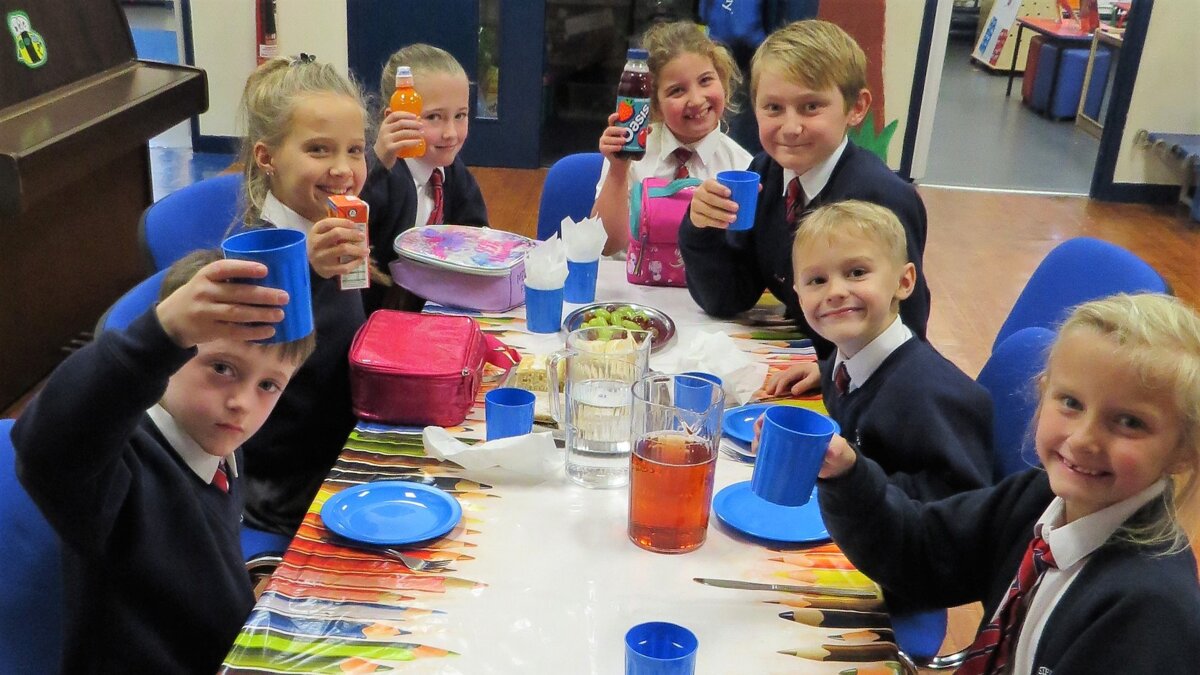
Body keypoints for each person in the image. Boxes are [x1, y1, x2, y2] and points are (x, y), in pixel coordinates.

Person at [817, 293, 1200, 673]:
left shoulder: (1150, 613)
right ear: (1042, 392)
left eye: (1129, 422)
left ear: (1184, 449)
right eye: (1070, 402)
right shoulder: (1039, 497)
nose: (1084, 439)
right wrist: (848, 474)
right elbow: (919, 551)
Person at [13, 250, 315, 673]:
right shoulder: (116, 473)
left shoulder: (215, 444)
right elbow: (47, 447)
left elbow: (195, 569)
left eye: (268, 384)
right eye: (222, 368)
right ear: (171, 357)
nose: (241, 403)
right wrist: (160, 334)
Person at [680, 19, 930, 360]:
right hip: (803, 354)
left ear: (856, 108)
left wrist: (837, 369)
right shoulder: (765, 174)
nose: (791, 127)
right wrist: (700, 229)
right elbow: (727, 299)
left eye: (811, 107)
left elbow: (909, 330)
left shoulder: (883, 199)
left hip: (858, 380)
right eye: (773, 108)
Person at [763, 201, 991, 500]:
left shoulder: (930, 396)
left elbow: (964, 504)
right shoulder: (841, 365)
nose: (835, 292)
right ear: (798, 294)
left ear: (904, 282)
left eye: (857, 272)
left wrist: (850, 477)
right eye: (817, 280)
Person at [236, 55, 371, 536]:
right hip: (292, 494)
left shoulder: (335, 228)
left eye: (355, 150)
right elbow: (245, 389)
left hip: (350, 451)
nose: (343, 169)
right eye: (318, 150)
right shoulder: (251, 261)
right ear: (267, 158)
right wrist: (305, 271)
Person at [593, 20, 752, 256]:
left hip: (703, 290)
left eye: (706, 80)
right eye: (677, 90)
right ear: (654, 103)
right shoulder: (632, 153)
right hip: (632, 287)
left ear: (723, 80)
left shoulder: (742, 166)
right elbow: (605, 246)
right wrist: (618, 169)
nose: (697, 100)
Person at [360, 43, 488, 312]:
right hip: (376, 318)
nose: (450, 133)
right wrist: (377, 162)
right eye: (434, 118)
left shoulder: (451, 173)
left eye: (460, 115)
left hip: (434, 309)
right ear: (395, 120)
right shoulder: (380, 178)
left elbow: (476, 234)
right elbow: (351, 216)